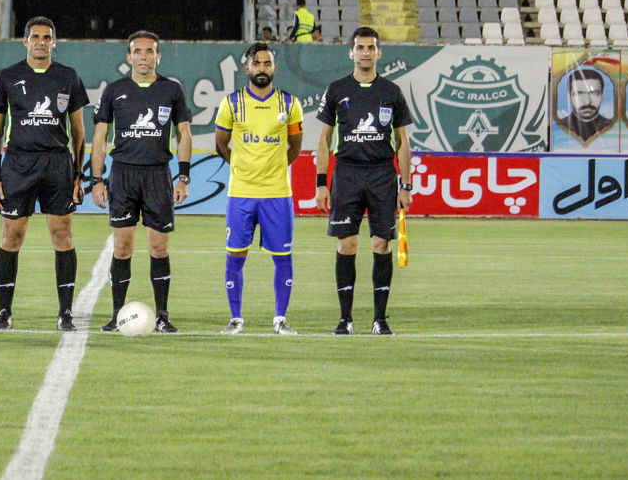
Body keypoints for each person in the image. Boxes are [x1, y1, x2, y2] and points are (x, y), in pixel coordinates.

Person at [0, 16, 89, 331]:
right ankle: (4, 312)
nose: (41, 42)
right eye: (35, 37)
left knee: (62, 235)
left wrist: (78, 175)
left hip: (57, 164)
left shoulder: (68, 77)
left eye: (47, 37)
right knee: (11, 236)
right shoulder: (7, 77)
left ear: (54, 42)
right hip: (18, 164)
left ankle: (65, 313)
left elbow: (78, 132)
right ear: (25, 41)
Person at [90, 30, 192, 333]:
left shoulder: (171, 90)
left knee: (159, 248)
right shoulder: (114, 90)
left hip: (157, 175)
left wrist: (183, 176)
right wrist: (97, 179)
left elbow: (183, 134)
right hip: (123, 174)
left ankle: (162, 316)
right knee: (122, 247)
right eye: (138, 52)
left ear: (158, 56)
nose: (144, 57)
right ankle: (116, 314)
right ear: (129, 57)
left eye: (150, 52)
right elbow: (100, 137)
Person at [314, 26, 412, 336]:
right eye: (360, 47)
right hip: (347, 173)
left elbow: (403, 142)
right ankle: (345, 319)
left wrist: (405, 186)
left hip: (382, 174)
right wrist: (321, 182)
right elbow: (324, 139)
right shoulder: (336, 89)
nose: (365, 52)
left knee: (381, 245)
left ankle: (380, 320)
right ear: (351, 53)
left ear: (379, 53)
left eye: (371, 47)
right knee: (347, 244)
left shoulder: (392, 92)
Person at [214, 42, 303, 335]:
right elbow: (221, 144)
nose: (261, 68)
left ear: (274, 67)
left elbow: (295, 147)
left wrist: (272, 169)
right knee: (235, 255)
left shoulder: (290, 104)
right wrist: (243, 167)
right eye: (256, 63)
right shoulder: (231, 103)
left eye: (266, 63)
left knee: (283, 257)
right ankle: (235, 319)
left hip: (277, 194)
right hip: (240, 194)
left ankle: (280, 320)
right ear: (247, 68)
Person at [562, 67, 611, 142]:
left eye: (594, 93)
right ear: (569, 97)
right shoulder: (559, 127)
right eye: (579, 94)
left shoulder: (612, 127)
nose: (587, 102)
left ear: (602, 96)